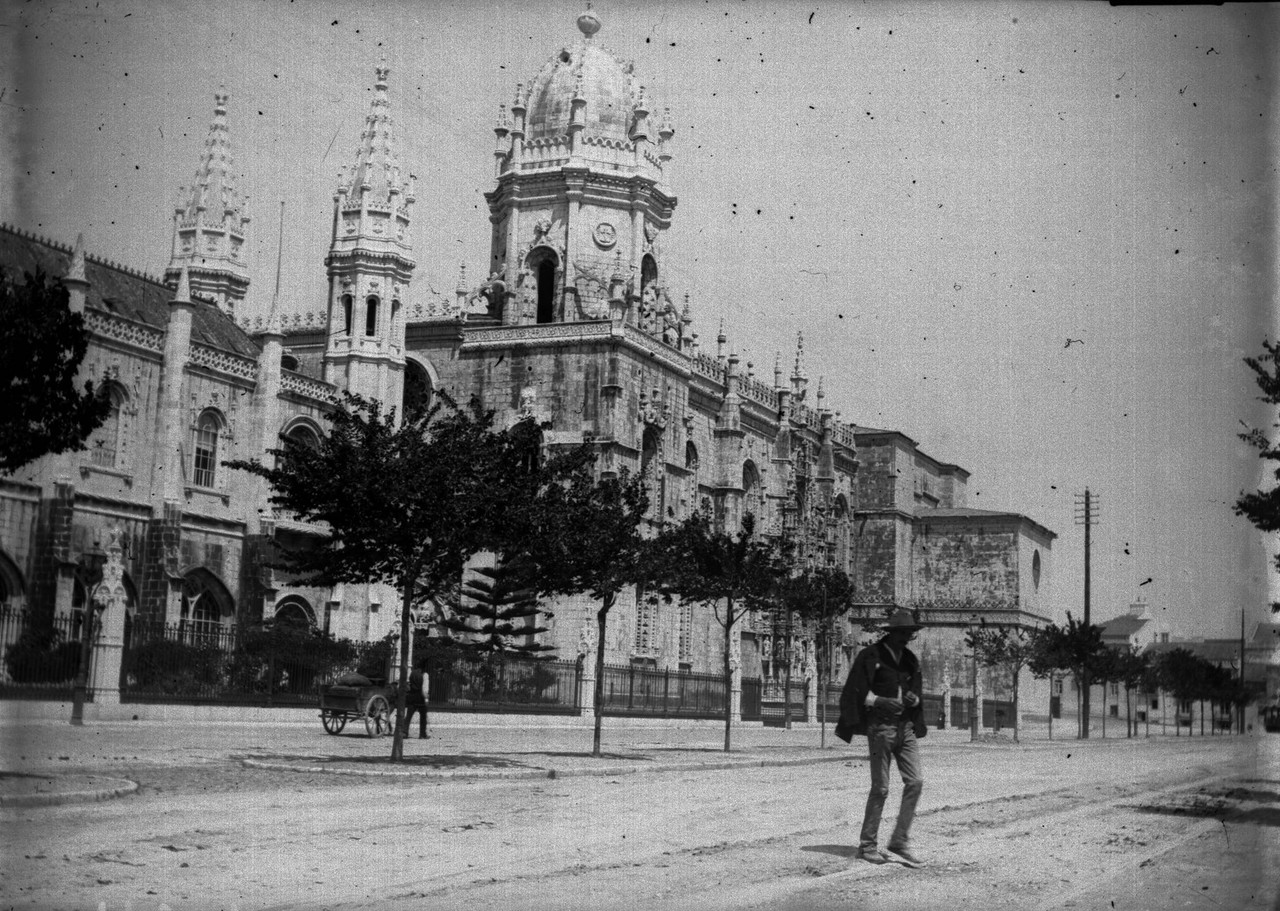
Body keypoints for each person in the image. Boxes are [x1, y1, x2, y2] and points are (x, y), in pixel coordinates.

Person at [836, 609, 927, 867]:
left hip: (905, 728)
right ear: (892, 633)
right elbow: (854, 692)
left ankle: (899, 841)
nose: (906, 638)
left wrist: (915, 699)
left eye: (909, 634)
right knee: (881, 788)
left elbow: (918, 691)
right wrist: (879, 700)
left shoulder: (910, 660)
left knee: (916, 781)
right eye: (902, 633)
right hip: (880, 729)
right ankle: (867, 845)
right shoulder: (871, 656)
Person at [404, 658, 430, 739]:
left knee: (408, 716)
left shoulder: (412, 673)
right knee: (423, 717)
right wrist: (426, 698)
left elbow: (409, 684)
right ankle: (422, 734)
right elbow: (424, 689)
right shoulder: (425, 675)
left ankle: (404, 732)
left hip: (412, 696)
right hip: (420, 698)